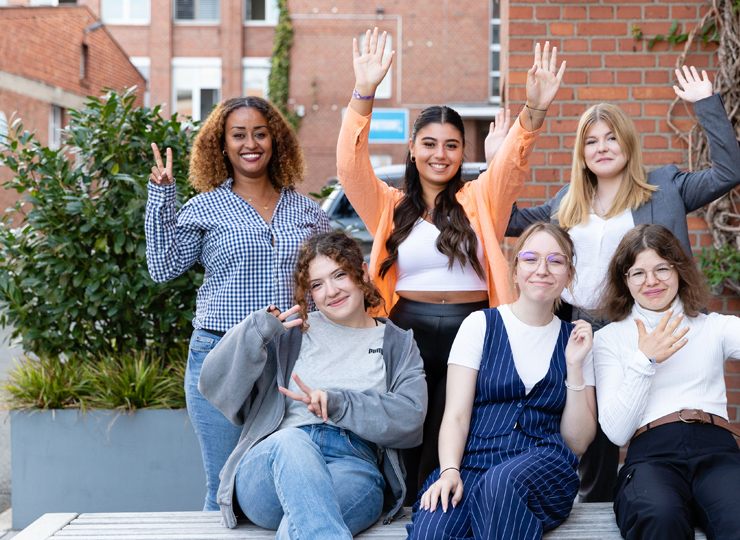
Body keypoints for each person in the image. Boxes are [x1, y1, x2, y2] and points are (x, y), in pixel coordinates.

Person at [337, 28, 566, 499]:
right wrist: (364, 93)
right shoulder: (388, 203)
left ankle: (445, 507)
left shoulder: (482, 199)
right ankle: (399, 506)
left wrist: (535, 110)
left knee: (456, 420)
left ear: (464, 152)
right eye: (429, 143)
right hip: (406, 326)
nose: (440, 154)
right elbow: (349, 166)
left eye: (451, 145)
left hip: (471, 325)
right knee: (408, 420)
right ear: (413, 149)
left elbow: (511, 166)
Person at [504, 66, 740, 502]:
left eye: (611, 137)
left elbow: (729, 172)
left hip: (641, 324)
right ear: (581, 153)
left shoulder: (665, 189)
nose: (601, 148)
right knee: (589, 442)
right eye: (591, 141)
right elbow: (503, 217)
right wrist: (501, 151)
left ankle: (660, 500)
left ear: (628, 143)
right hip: (579, 326)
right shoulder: (566, 201)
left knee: (646, 423)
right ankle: (593, 513)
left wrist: (706, 103)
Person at [145, 96, 330, 511]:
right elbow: (162, 267)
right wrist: (161, 195)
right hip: (222, 355)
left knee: (276, 482)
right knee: (223, 488)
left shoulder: (306, 211)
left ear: (276, 141)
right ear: (222, 145)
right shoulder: (204, 207)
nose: (251, 143)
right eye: (239, 135)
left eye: (260, 133)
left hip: (291, 361)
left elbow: (328, 286)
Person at [593, 201, 740, 540]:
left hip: (716, 451)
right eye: (638, 272)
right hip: (651, 456)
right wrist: (644, 361)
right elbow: (616, 432)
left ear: (679, 270)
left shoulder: (712, 327)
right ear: (626, 280)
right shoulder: (609, 340)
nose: (651, 281)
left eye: (662, 269)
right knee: (659, 519)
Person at [198, 230, 427, 539]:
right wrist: (254, 333)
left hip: (352, 465)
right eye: (317, 285)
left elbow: (410, 419)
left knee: (301, 525)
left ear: (362, 271)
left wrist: (338, 403)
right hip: (271, 467)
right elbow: (213, 383)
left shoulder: (397, 343)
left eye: (339, 275)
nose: (331, 291)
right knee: (290, 443)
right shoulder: (292, 333)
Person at [406, 222, 596, 540]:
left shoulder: (575, 340)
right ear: (516, 268)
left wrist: (574, 366)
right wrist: (450, 470)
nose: (542, 269)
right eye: (531, 258)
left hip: (544, 468)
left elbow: (577, 443)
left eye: (556, 260)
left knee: (501, 484)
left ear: (569, 274)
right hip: (473, 462)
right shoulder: (480, 325)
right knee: (432, 532)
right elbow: (455, 415)